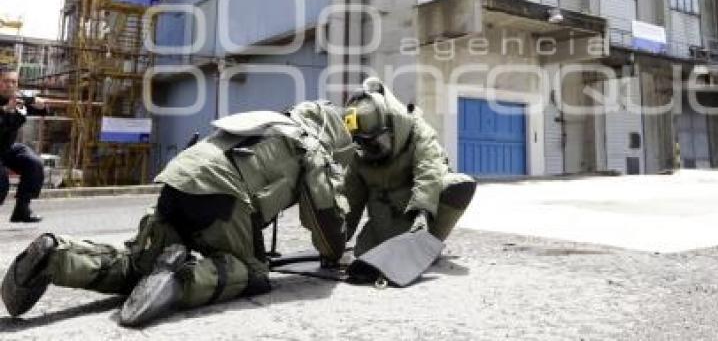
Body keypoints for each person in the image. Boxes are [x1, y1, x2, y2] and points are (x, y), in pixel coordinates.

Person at [2, 100, 354, 327]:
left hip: (178, 179)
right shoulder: (311, 146)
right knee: (251, 272)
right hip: (221, 194)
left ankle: (57, 255)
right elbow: (324, 217)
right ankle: (178, 277)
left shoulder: (269, 122)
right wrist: (335, 253)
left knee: (136, 264)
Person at [341, 78, 477, 256]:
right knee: (363, 254)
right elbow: (351, 196)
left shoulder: (419, 133)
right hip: (383, 215)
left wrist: (422, 212)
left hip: (418, 211)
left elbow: (428, 172)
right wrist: (336, 238)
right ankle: (407, 249)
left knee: (456, 185)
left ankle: (426, 243)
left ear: (391, 125)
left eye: (377, 141)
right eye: (364, 143)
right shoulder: (360, 154)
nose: (371, 148)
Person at [0, 65, 47, 223]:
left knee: (34, 163)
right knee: (1, 180)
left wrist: (41, 105)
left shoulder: (19, 100)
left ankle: (22, 209)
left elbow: (37, 108)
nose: (11, 85)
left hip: (6, 148)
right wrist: (5, 110)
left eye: (14, 82)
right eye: (6, 81)